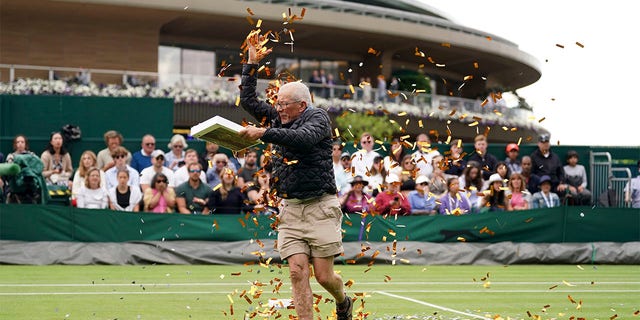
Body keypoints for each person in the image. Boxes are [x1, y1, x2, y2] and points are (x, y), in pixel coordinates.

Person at [238, 30, 352, 320]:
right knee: (297, 272)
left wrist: (262, 132)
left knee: (324, 277)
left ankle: (343, 301)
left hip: (320, 207)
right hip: (290, 208)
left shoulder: (318, 118)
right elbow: (248, 101)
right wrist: (251, 65)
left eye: (283, 104)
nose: (278, 109)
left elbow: (301, 139)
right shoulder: (278, 117)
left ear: (301, 105)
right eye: (277, 104)